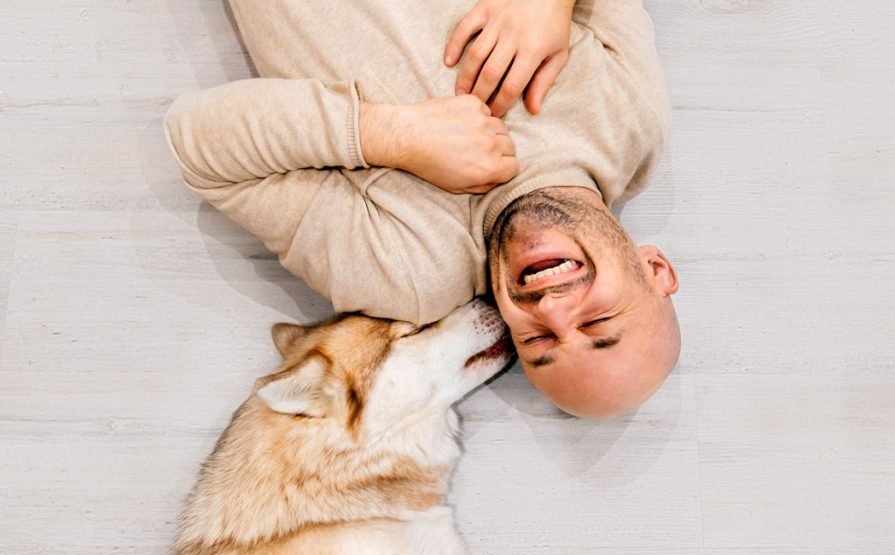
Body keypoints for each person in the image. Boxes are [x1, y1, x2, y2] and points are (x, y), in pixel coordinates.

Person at [164, 0, 678, 418]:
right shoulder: (632, 124)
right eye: (598, 322)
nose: (551, 308)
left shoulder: (407, 271)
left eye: (537, 339)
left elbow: (198, 146)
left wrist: (387, 136)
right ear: (655, 270)